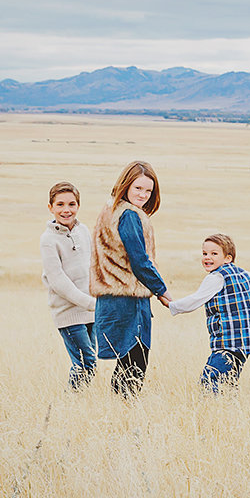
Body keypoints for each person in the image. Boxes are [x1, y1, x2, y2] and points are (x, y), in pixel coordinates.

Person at [166, 233, 250, 392]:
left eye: (214, 253)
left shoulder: (216, 278)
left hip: (226, 343)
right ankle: (229, 410)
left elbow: (196, 300)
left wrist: (172, 305)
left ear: (228, 258)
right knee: (228, 382)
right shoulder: (244, 275)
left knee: (209, 380)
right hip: (244, 345)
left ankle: (213, 410)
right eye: (204, 253)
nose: (207, 257)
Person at [91, 160, 172, 397]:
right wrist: (161, 291)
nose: (144, 195)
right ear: (125, 184)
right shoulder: (128, 215)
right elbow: (139, 260)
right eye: (138, 188)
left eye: (148, 190)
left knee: (127, 365)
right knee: (134, 366)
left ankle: (120, 415)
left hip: (112, 297)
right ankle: (123, 416)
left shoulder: (109, 210)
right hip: (129, 298)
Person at [39, 181, 100, 389]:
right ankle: (72, 400)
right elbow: (58, 281)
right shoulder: (48, 239)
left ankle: (78, 402)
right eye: (60, 204)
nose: (66, 210)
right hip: (69, 312)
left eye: (72, 204)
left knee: (89, 362)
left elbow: (93, 265)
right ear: (51, 208)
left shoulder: (83, 230)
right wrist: (91, 303)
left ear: (78, 206)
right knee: (86, 363)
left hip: (91, 309)